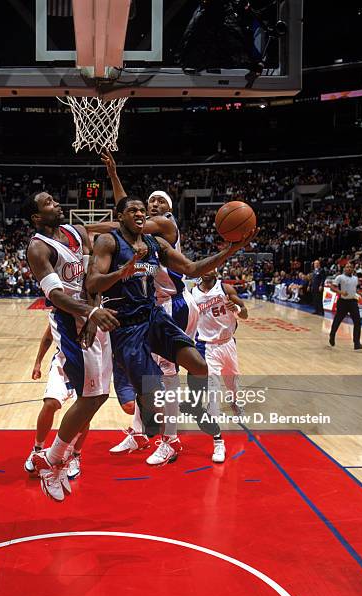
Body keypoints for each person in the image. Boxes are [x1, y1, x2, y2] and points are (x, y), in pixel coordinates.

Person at [86, 196, 257, 466]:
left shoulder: (155, 243)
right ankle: (162, 435)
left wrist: (232, 249)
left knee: (199, 366)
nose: (141, 213)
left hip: (153, 315)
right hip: (126, 326)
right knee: (155, 396)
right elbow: (93, 283)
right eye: (133, 210)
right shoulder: (109, 242)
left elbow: (191, 268)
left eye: (142, 209)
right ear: (120, 217)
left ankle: (187, 417)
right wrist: (122, 273)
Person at [95, 151, 201, 466]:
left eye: (159, 201)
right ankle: (140, 431)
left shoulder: (165, 225)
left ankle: (171, 439)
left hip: (173, 304)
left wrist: (82, 228)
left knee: (165, 375)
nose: (153, 204)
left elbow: (124, 218)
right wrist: (114, 175)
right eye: (150, 201)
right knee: (146, 372)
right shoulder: (142, 226)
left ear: (169, 209)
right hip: (152, 305)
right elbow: (126, 211)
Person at [23, 192, 119, 502]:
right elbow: (56, 297)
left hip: (93, 314)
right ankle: (52, 461)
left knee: (100, 396)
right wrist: (89, 313)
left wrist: (94, 309)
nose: (57, 204)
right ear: (37, 217)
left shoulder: (76, 232)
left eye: (54, 200)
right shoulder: (38, 248)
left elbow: (92, 276)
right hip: (71, 324)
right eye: (48, 203)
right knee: (88, 397)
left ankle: (56, 457)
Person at [24, 324, 84, 480]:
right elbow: (49, 336)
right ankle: (38, 449)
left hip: (89, 363)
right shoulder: (62, 306)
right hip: (63, 362)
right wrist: (38, 362)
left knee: (84, 411)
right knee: (51, 403)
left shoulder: (96, 306)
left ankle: (74, 456)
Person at [192, 270, 248, 425]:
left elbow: (245, 314)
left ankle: (237, 406)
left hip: (228, 342)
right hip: (208, 345)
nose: (207, 270)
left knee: (232, 381)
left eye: (211, 267)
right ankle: (213, 414)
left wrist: (236, 308)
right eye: (205, 267)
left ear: (216, 272)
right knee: (212, 383)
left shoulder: (225, 289)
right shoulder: (192, 293)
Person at [328, 262, 362, 350]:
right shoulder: (340, 277)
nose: (349, 268)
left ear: (353, 269)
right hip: (343, 302)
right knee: (338, 320)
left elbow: (354, 289)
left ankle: (357, 343)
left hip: (353, 302)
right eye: (347, 267)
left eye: (350, 267)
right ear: (344, 268)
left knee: (358, 322)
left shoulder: (355, 278)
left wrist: (359, 294)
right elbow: (332, 287)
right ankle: (332, 335)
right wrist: (341, 292)